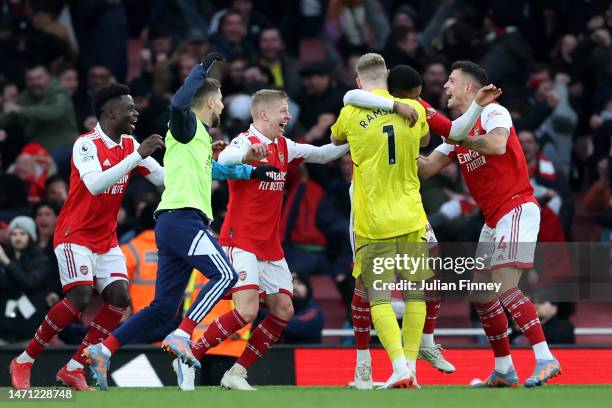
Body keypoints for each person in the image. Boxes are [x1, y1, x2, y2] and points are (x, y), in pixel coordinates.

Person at [82, 53, 278, 391]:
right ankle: (183, 334)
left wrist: (250, 169)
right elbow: (178, 102)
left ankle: (103, 348)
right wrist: (201, 70)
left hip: (173, 223)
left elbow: (212, 170)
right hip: (184, 218)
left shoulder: (197, 138)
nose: (221, 109)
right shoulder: (186, 125)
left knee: (162, 308)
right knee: (227, 274)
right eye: (218, 103)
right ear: (209, 102)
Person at [175, 89, 348, 391]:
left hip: (270, 246)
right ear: (265, 114)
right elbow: (227, 155)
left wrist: (354, 140)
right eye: (283, 111)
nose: (289, 116)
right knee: (247, 311)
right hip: (239, 240)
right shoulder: (246, 141)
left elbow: (322, 154)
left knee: (283, 311)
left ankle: (236, 373)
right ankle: (189, 355)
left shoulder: (285, 145)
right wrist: (246, 156)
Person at [341, 64, 501, 388]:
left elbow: (454, 132)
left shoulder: (418, 106)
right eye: (416, 95)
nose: (425, 97)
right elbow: (349, 96)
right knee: (367, 288)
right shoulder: (364, 103)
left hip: (406, 203)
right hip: (367, 203)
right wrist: (394, 106)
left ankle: (423, 345)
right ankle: (363, 364)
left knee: (431, 265)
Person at [9, 83, 166, 391]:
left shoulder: (131, 145)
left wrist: (198, 162)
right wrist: (137, 157)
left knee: (119, 298)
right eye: (129, 107)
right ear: (109, 112)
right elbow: (95, 184)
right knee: (80, 297)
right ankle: (25, 360)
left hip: (105, 238)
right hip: (74, 233)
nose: (135, 112)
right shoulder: (86, 144)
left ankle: (74, 367)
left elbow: (162, 178)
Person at [416, 61, 560, 388]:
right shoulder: (457, 129)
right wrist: (394, 144)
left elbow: (496, 145)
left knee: (504, 285)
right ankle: (505, 369)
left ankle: (545, 358)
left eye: (451, 81)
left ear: (469, 87)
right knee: (482, 294)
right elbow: (426, 168)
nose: (446, 87)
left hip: (517, 207)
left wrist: (459, 138)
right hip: (493, 219)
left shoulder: (493, 113)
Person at [329, 53, 431, 389]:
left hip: (373, 220)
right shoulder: (413, 109)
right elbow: (427, 140)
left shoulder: (350, 112)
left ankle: (399, 367)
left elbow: (335, 140)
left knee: (380, 297)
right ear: (387, 75)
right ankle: (412, 366)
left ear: (359, 81)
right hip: (411, 214)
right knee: (417, 295)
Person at [0, 217, 51, 345]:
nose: (18, 238)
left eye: (22, 233)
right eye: (14, 234)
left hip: (31, 334)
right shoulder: (4, 260)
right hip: (5, 332)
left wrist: (6, 262)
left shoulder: (41, 261)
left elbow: (28, 283)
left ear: (31, 236)